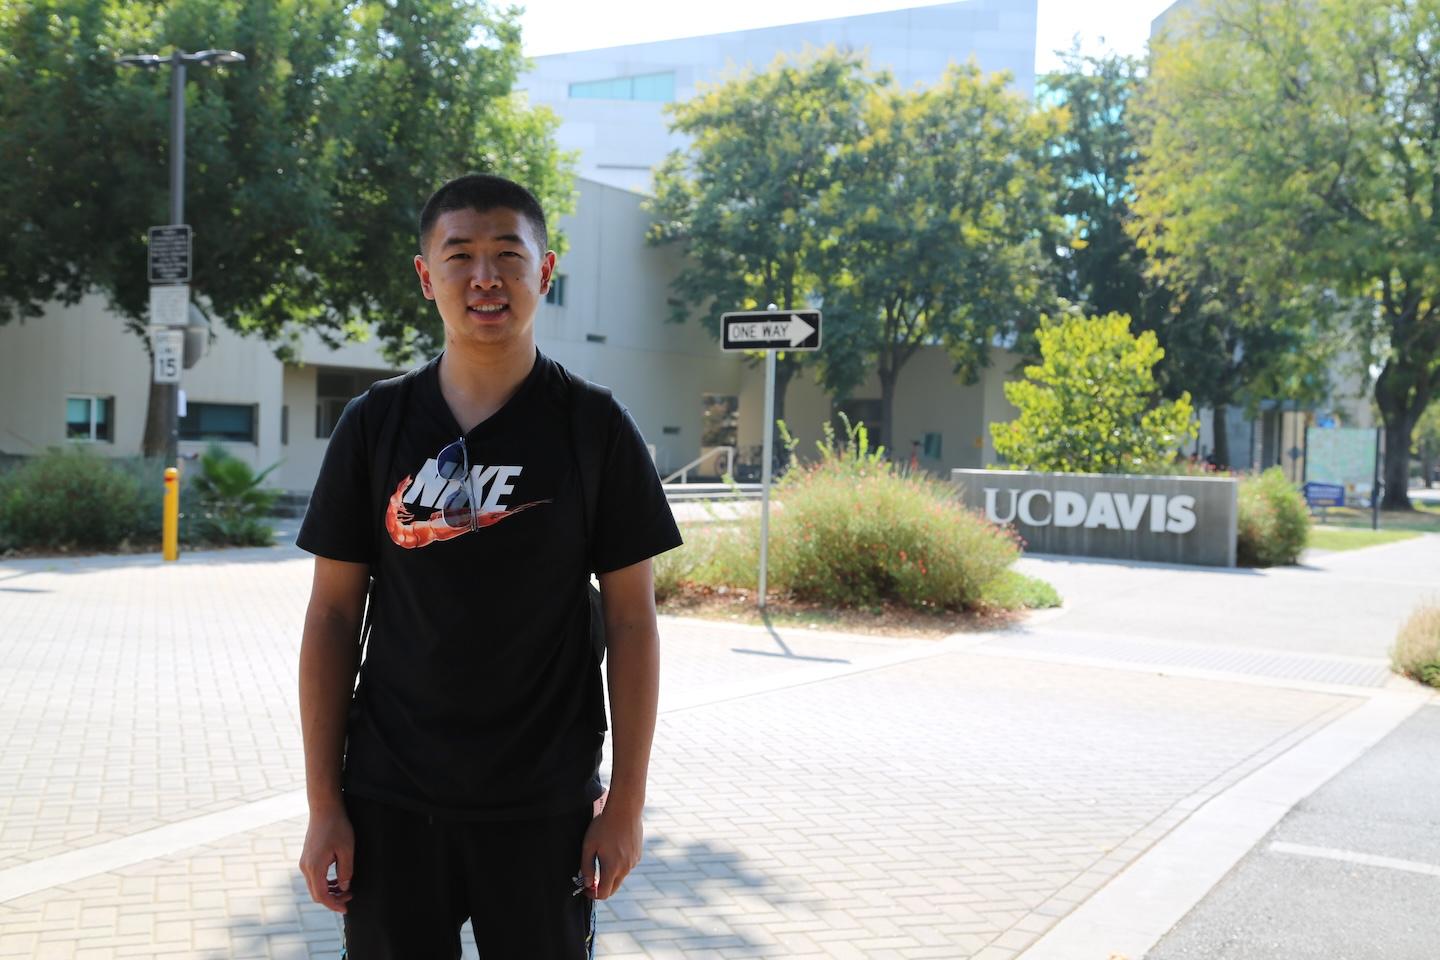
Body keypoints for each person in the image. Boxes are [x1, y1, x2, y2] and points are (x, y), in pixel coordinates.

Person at [296, 173, 682, 958]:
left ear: (544, 272)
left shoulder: (595, 427)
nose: (485, 277)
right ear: (424, 275)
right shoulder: (376, 426)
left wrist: (627, 805)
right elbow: (334, 617)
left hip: (544, 807)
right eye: (460, 254)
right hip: (390, 799)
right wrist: (323, 804)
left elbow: (633, 621)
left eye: (508, 254)